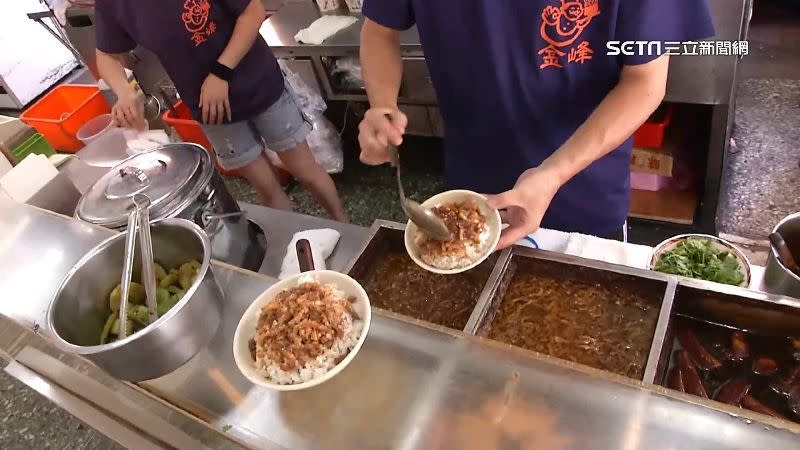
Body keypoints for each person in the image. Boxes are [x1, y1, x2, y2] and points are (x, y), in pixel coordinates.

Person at [358, 0, 714, 247]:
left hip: (583, 190)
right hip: (476, 189)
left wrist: (553, 174)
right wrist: (382, 105)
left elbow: (645, 81)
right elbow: (378, 32)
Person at [94, 0, 348, 222]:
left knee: (306, 172)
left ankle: (345, 225)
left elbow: (253, 12)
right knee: (266, 188)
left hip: (257, 84)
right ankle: (298, 250)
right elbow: (106, 54)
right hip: (212, 110)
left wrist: (221, 72)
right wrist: (125, 93)